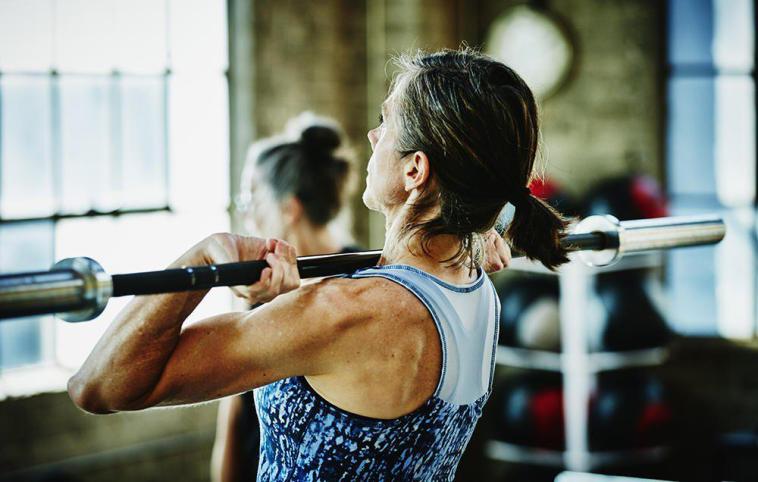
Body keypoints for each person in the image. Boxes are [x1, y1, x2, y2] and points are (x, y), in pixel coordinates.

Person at [67, 48, 568, 481]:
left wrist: (204, 253)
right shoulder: (477, 289)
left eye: (387, 123)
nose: (373, 136)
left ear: (416, 170)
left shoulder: (342, 312)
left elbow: (101, 384)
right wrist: (477, 230)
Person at [212, 112, 360, 482]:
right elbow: (235, 412)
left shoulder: (366, 282)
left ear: (289, 207)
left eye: (251, 200)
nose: (247, 218)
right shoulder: (260, 285)